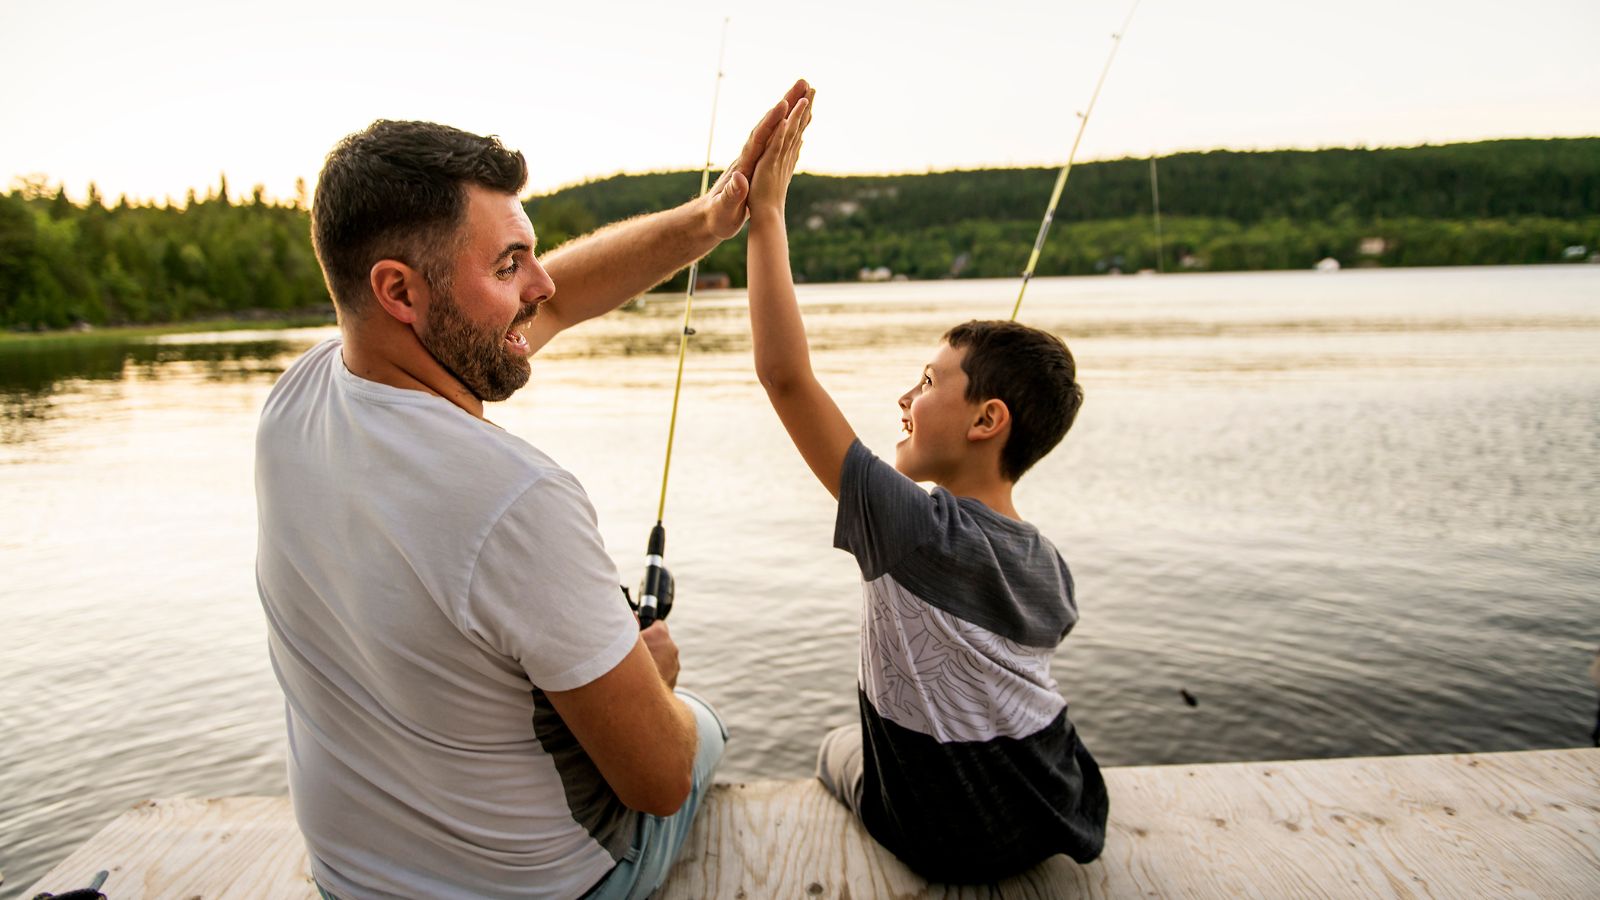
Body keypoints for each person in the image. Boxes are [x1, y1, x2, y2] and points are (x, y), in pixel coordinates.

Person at [255, 80, 809, 900]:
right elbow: (657, 783)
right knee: (698, 727)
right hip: (541, 889)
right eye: (510, 264)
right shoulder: (516, 499)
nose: (543, 285)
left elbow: (557, 300)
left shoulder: (294, 402)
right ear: (400, 291)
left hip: (351, 881)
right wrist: (650, 680)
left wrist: (708, 219)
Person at [742, 92, 1109, 882]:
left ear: (987, 421)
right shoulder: (1049, 563)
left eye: (927, 381)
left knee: (832, 748)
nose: (905, 401)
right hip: (1059, 807)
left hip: (947, 838)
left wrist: (767, 214)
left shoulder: (910, 526)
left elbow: (785, 378)